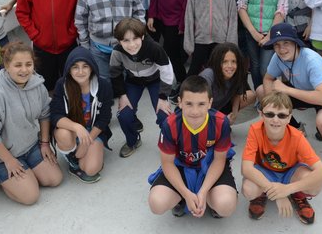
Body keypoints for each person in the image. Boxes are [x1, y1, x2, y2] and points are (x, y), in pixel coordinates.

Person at [260, 23, 322, 195]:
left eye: (286, 43)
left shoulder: (310, 59)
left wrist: (285, 90)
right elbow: (268, 78)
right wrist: (268, 104)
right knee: (261, 92)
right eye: (277, 44)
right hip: (303, 89)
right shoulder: (278, 57)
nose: (281, 49)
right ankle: (295, 127)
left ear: (295, 43)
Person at [0, 42, 63, 205]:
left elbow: (45, 113)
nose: (24, 70)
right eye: (18, 65)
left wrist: (44, 143)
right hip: (0, 155)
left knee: (54, 179)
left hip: (28, 146)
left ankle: (26, 170)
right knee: (30, 196)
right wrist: (9, 160)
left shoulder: (37, 84)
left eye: (28, 64)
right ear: (7, 65)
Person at [148, 76, 237, 218]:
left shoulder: (221, 122)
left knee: (226, 206)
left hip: (210, 166)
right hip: (181, 166)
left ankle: (208, 198)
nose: (195, 111)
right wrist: (185, 193)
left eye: (201, 104)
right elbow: (167, 163)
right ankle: (182, 199)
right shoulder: (170, 124)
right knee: (156, 204)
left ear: (210, 103)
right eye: (189, 104)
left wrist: (203, 191)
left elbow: (219, 160)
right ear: (180, 102)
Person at [242, 91, 322, 224]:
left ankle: (297, 195)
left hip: (290, 172)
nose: (275, 120)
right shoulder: (255, 130)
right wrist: (277, 194)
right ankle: (262, 194)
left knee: (315, 186)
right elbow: (246, 169)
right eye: (269, 114)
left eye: (282, 115)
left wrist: (287, 190)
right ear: (261, 115)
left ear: (289, 118)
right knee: (249, 189)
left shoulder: (297, 136)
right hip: (266, 171)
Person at [110, 18, 174, 157]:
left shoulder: (154, 48)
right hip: (134, 81)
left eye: (135, 39)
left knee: (164, 115)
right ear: (119, 41)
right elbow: (115, 73)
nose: (131, 45)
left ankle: (169, 144)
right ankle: (133, 141)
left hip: (156, 81)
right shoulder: (117, 52)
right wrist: (122, 95)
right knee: (124, 114)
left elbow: (167, 71)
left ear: (142, 36)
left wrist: (163, 97)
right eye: (125, 40)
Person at [50, 46, 112, 183]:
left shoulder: (103, 85)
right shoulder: (62, 84)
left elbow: (104, 118)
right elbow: (55, 115)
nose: (80, 71)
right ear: (69, 69)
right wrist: (77, 127)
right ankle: (72, 156)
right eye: (75, 67)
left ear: (92, 68)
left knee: (90, 170)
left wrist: (87, 141)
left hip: (93, 132)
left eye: (85, 66)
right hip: (72, 131)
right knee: (63, 134)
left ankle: (83, 154)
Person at [184, 0, 238, 76]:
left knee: (220, 72)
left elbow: (233, 17)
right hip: (200, 39)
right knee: (194, 71)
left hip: (221, 40)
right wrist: (189, 43)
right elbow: (189, 17)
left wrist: (231, 43)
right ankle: (186, 94)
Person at [199, 43, 256, 124]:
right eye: (224, 62)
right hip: (203, 111)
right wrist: (220, 120)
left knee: (251, 95)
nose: (230, 66)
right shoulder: (207, 76)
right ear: (217, 61)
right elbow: (199, 104)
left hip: (220, 106)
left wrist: (234, 114)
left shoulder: (237, 73)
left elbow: (237, 94)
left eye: (233, 61)